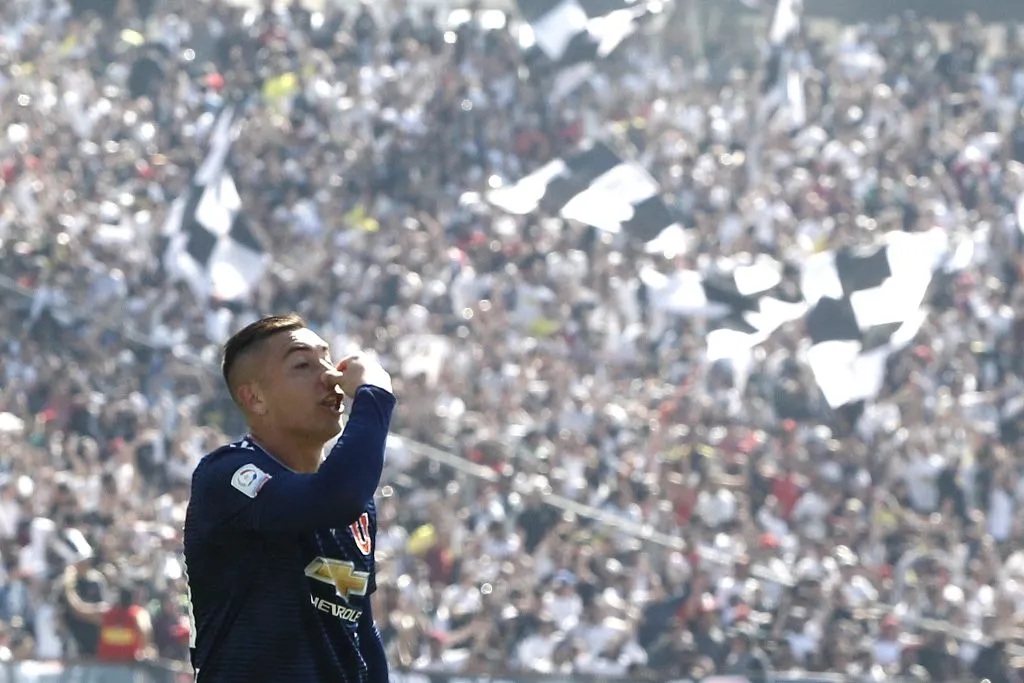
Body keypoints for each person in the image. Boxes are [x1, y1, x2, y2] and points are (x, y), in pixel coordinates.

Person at [182, 314, 397, 682]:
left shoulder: (355, 502)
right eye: (302, 365)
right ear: (255, 398)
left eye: (328, 359)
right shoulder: (227, 475)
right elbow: (332, 497)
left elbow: (358, 626)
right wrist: (375, 393)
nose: (331, 376)